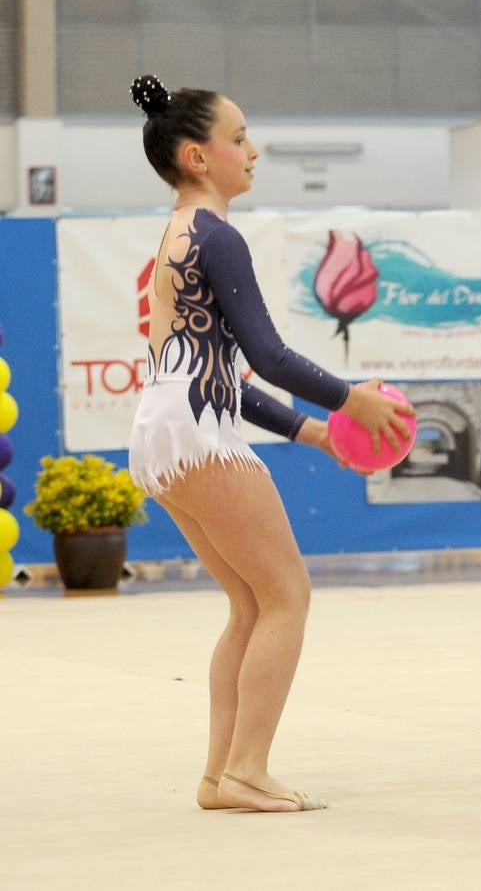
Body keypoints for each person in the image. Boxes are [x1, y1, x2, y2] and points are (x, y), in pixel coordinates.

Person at [127, 75, 412, 812]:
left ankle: (222, 775)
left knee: (250, 604)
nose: (253, 150)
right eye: (240, 136)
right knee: (287, 593)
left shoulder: (178, 233)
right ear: (197, 155)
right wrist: (358, 402)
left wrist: (313, 430)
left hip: (169, 425)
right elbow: (272, 354)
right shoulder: (217, 237)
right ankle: (249, 768)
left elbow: (225, 371)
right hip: (195, 428)